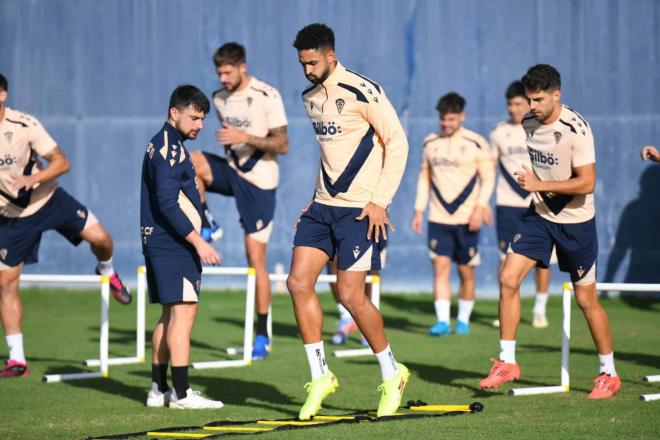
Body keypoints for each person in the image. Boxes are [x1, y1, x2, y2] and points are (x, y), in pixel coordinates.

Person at [287, 23, 410, 420]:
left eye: (312, 62)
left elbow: (398, 142)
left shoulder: (363, 89)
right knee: (297, 283)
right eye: (302, 63)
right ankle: (320, 376)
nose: (306, 70)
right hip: (321, 209)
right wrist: (313, 198)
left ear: (330, 56)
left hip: (359, 212)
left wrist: (381, 201)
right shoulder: (309, 98)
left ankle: (393, 374)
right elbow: (334, 156)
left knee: (350, 296)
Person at [479, 64, 621, 399]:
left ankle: (608, 373)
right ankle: (507, 361)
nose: (532, 107)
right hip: (540, 215)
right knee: (508, 278)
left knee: (587, 300)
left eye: (539, 99)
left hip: (576, 224)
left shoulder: (577, 129)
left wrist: (539, 182)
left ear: (557, 95)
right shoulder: (528, 122)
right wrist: (536, 182)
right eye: (529, 99)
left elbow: (587, 183)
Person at [0, 73, 131, 379]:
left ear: (2, 95)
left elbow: (62, 162)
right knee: (6, 284)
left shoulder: (24, 124)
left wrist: (34, 178)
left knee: (101, 238)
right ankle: (17, 360)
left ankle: (107, 270)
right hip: (11, 218)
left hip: (49, 200)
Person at [190, 42, 288, 360]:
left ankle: (263, 335)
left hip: (260, 183)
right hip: (233, 172)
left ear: (242, 67)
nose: (222, 78)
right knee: (189, 162)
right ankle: (207, 223)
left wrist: (244, 138)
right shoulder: (219, 99)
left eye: (227, 72)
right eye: (219, 72)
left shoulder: (267, 95)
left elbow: (283, 144)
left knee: (254, 257)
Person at [141, 85, 223, 409]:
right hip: (173, 243)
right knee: (184, 314)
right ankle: (182, 394)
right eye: (194, 117)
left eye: (202, 119)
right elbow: (166, 201)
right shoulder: (169, 149)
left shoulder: (166, 143)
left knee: (168, 316)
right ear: (174, 113)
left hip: (163, 242)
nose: (199, 125)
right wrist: (197, 241)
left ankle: (157, 389)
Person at [412, 92, 495, 336]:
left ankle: (463, 320)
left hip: (468, 219)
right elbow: (424, 177)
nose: (446, 124)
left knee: (466, 271)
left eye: (451, 119)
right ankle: (442, 322)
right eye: (443, 119)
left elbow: (488, 178)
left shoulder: (476, 143)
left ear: (462, 116)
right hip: (438, 218)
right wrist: (419, 209)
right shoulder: (430, 143)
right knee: (440, 267)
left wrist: (480, 207)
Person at [490, 81, 553, 329]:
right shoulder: (497, 132)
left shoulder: (539, 129)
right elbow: (490, 168)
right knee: (504, 258)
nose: (513, 108)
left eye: (517, 103)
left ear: (527, 104)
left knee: (542, 260)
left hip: (536, 202)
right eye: (509, 103)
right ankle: (505, 306)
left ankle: (539, 309)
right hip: (506, 203)